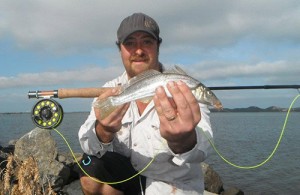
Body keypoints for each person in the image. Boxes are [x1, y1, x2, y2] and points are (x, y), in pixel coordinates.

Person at [78, 12, 213, 195]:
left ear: (158, 46)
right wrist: (103, 130)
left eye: (147, 42)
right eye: (130, 43)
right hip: (129, 177)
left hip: (173, 184)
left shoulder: (182, 86)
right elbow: (87, 145)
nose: (139, 50)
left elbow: (203, 149)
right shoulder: (108, 90)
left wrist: (183, 140)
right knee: (89, 168)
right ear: (120, 49)